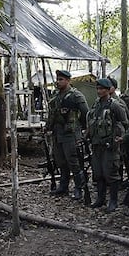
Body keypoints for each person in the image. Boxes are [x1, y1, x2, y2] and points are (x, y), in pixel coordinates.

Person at [45, 70, 89, 199]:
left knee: (74, 162)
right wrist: (48, 127)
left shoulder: (76, 95)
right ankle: (63, 187)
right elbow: (52, 114)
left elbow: (86, 114)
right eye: (57, 79)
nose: (58, 82)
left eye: (61, 79)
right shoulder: (56, 96)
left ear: (68, 81)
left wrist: (82, 131)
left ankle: (79, 188)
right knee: (60, 161)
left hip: (71, 134)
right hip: (58, 133)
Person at [86, 78, 128, 211]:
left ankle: (113, 201)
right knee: (98, 173)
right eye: (97, 89)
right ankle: (100, 198)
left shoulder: (115, 105)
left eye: (102, 89)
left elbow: (125, 121)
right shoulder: (96, 105)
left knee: (111, 173)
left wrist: (120, 137)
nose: (99, 91)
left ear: (109, 90)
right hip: (96, 144)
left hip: (110, 145)